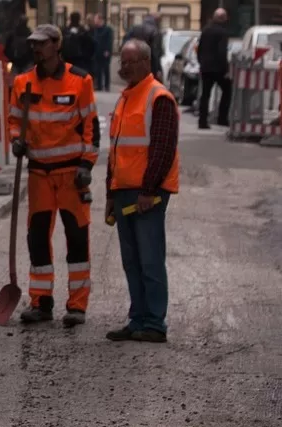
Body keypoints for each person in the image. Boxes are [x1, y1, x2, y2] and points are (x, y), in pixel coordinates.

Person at [7, 25, 100, 327]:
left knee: (76, 238)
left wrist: (87, 164)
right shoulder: (23, 82)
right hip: (39, 174)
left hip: (71, 173)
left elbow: (91, 126)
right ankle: (41, 303)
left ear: (57, 46)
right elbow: (13, 120)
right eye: (33, 44)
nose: (36, 49)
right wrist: (15, 141)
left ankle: (76, 306)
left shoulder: (80, 80)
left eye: (43, 44)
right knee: (37, 238)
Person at [105, 40, 179, 343]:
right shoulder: (126, 98)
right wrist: (110, 193)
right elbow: (116, 150)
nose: (123, 67)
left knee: (149, 259)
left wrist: (148, 190)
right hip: (124, 191)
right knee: (132, 260)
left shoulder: (158, 97)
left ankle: (154, 323)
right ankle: (138, 319)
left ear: (146, 62)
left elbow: (162, 149)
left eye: (130, 61)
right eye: (122, 61)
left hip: (147, 193)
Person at [196, 8, 233, 128]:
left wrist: (201, 62)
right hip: (218, 68)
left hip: (206, 67)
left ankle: (202, 121)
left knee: (205, 94)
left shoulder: (206, 30)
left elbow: (199, 48)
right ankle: (222, 118)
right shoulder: (223, 32)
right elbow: (222, 52)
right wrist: (226, 69)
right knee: (227, 90)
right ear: (223, 18)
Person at [124, 14, 164, 78]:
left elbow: (125, 42)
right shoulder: (155, 31)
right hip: (149, 63)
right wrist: (158, 69)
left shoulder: (134, 28)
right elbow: (155, 52)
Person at [91, 13, 115, 91]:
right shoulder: (95, 29)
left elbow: (109, 41)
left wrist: (107, 50)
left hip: (105, 52)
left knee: (105, 69)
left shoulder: (108, 29)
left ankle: (107, 86)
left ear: (100, 20)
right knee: (97, 69)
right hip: (96, 52)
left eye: (96, 19)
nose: (95, 21)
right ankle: (99, 85)